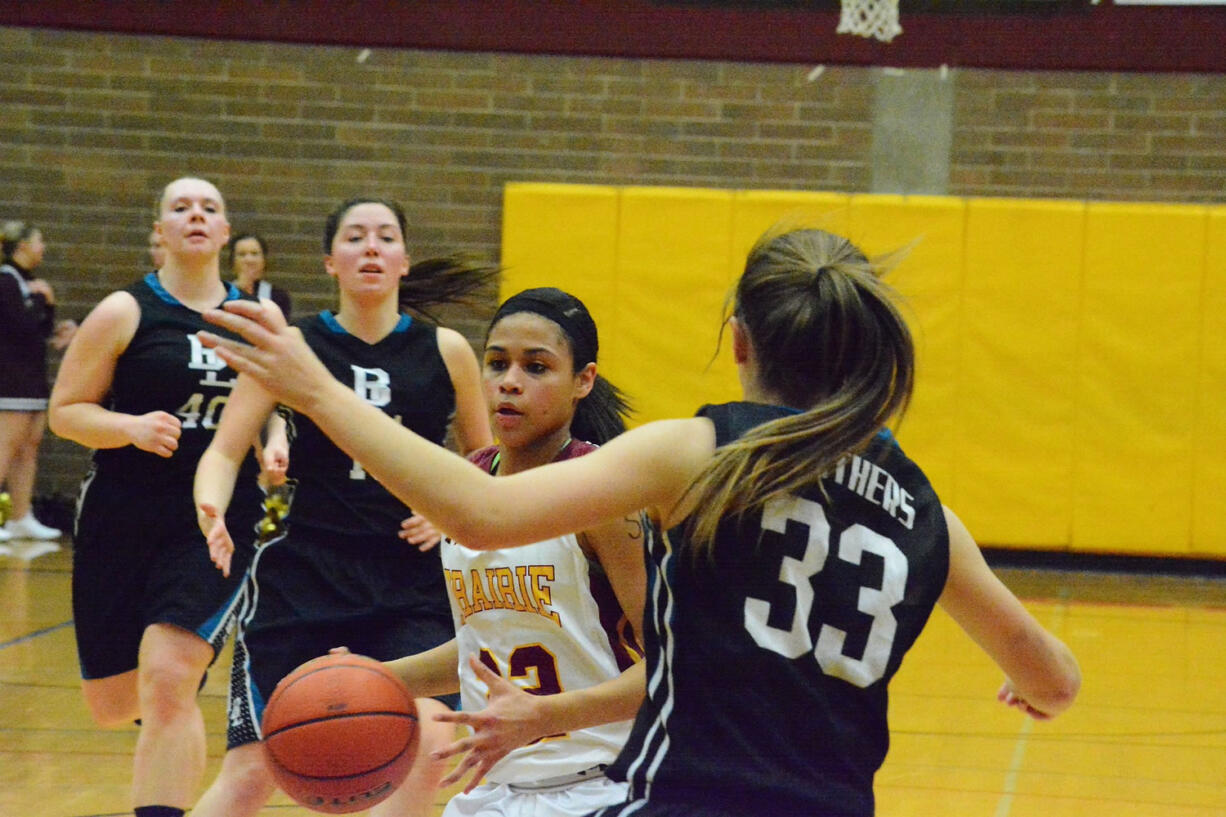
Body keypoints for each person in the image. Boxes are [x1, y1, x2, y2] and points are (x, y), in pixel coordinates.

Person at [200, 225, 1083, 817]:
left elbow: (479, 510)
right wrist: (1030, 685)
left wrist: (313, 389)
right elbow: (1057, 680)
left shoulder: (704, 453)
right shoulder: (927, 510)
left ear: (740, 339)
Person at [190, 197, 495, 817]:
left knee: (431, 743)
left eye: (386, 237)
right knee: (254, 769)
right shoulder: (293, 346)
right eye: (355, 237)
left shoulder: (447, 351)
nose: (372, 247)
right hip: (305, 572)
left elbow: (488, 462)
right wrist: (211, 506)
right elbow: (222, 453)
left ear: (405, 259)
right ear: (331, 261)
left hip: (410, 579)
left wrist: (446, 512)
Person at [382, 287, 648, 817]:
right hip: (495, 791)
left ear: (583, 381)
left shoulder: (606, 497)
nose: (509, 381)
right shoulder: (467, 485)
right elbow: (487, 643)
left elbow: (677, 666)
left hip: (605, 786)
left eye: (536, 367)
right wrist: (378, 678)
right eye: (497, 363)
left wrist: (546, 715)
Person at [48, 177, 267, 817]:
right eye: (181, 207)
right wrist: (129, 428)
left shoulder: (251, 318)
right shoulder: (124, 312)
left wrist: (273, 439)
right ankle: (166, 732)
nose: (196, 216)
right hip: (121, 517)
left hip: (216, 519)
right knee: (116, 704)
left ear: (225, 231)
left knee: (169, 676)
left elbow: (270, 399)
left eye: (210, 208)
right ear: (160, 231)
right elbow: (65, 412)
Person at [0, 220, 77, 546]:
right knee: (4, 447)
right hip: (10, 380)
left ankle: (21, 517)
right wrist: (42, 301)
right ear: (22, 246)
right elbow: (19, 326)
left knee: (28, 448)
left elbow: (38, 330)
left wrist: (52, 314)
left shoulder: (26, 282)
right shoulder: (6, 279)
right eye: (39, 241)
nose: (42, 247)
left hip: (30, 379)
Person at [227, 232, 292, 319]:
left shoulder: (278, 296)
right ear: (233, 261)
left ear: (264, 260)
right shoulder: (222, 293)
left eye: (254, 254)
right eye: (242, 254)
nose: (249, 260)